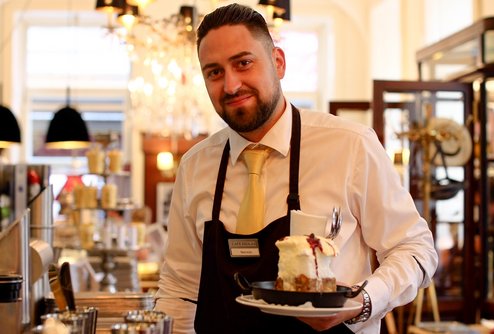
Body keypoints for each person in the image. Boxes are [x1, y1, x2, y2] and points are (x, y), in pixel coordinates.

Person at [154, 3, 438, 333]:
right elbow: (179, 290)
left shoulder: (350, 146)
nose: (231, 85)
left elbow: (415, 249)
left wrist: (362, 302)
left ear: (278, 62)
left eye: (243, 63)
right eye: (214, 72)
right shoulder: (195, 166)